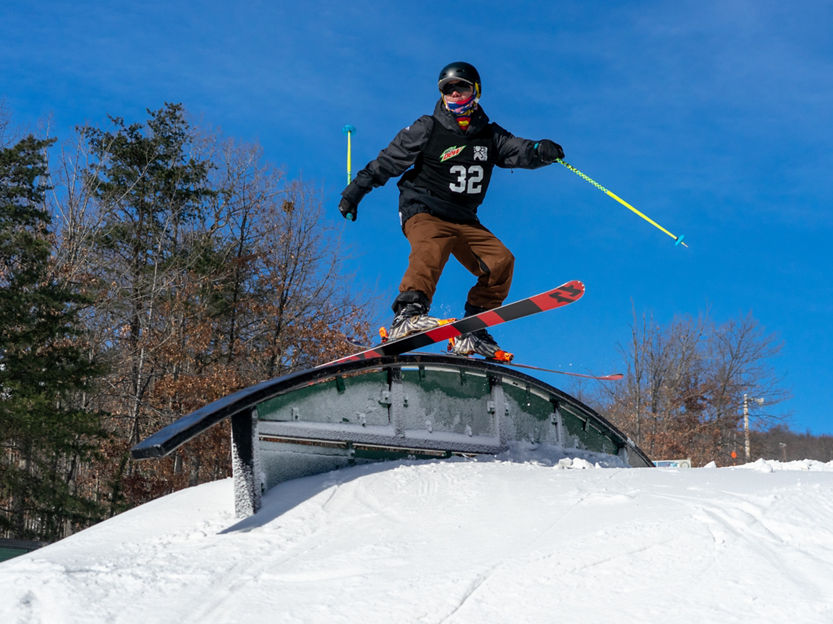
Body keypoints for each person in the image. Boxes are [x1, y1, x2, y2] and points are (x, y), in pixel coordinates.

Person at [338, 61, 564, 359]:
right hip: (424, 207)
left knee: (500, 261)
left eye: (463, 88)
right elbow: (388, 161)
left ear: (476, 92)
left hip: (464, 219)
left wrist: (539, 151)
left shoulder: (490, 136)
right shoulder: (427, 127)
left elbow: (518, 150)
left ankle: (474, 327)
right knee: (431, 247)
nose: (455, 95)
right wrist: (355, 191)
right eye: (449, 90)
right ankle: (408, 312)